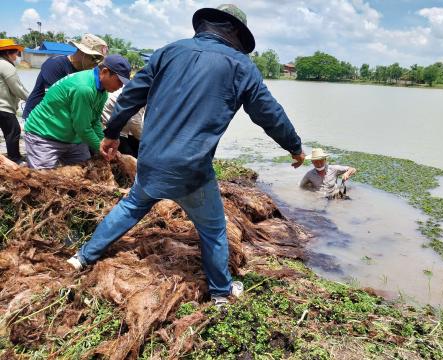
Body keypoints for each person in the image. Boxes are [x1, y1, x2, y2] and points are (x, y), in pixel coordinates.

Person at [67, 4, 306, 306]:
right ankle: (221, 293)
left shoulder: (168, 51)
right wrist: (294, 147)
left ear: (206, 25)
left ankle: (81, 258)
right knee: (214, 230)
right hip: (192, 170)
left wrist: (112, 133)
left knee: (130, 207)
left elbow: (131, 95)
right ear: (234, 33)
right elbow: (269, 114)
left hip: (152, 159)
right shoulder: (241, 66)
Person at [24, 55, 130, 169]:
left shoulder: (102, 91)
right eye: (119, 81)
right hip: (44, 135)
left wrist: (103, 143)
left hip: (73, 139)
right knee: (43, 180)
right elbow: (82, 127)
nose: (120, 86)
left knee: (87, 173)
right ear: (104, 72)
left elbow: (94, 121)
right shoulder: (84, 88)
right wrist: (99, 146)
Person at [23, 33, 108, 121]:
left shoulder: (85, 72)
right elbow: (57, 99)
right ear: (82, 52)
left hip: (58, 121)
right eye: (94, 58)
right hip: (36, 118)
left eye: (99, 61)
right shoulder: (55, 64)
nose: (96, 64)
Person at [0, 39, 29, 165]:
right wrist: (31, 98)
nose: (17, 56)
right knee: (14, 131)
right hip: (4, 107)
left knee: (9, 131)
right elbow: (17, 88)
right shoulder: (6, 66)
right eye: (16, 53)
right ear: (8, 53)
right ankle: (14, 158)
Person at [101, 88, 144, 158]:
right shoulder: (140, 95)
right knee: (129, 155)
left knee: (135, 147)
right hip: (112, 129)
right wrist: (146, 141)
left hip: (121, 128)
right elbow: (134, 123)